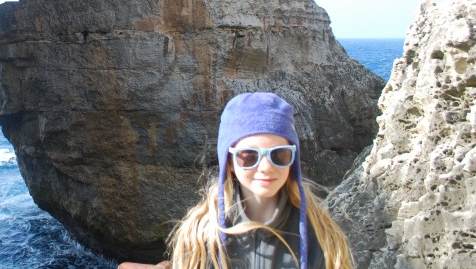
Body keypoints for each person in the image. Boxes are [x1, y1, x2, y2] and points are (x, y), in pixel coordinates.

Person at [120, 92, 352, 269]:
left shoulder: (322, 234)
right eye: (249, 156)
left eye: (279, 154)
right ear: (229, 162)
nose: (265, 166)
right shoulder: (200, 235)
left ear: (293, 159)